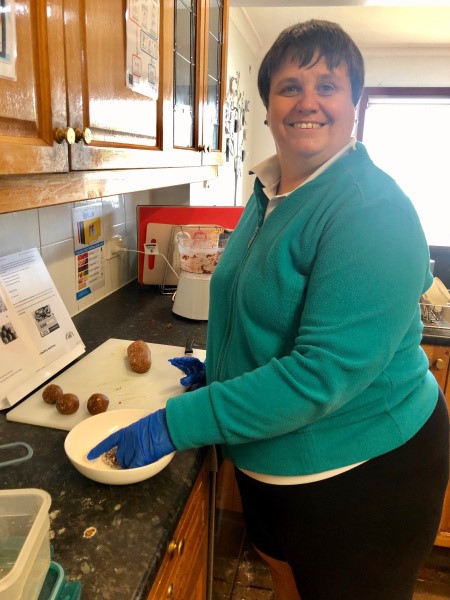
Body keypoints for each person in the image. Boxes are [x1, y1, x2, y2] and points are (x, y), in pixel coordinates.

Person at [89, 19, 449, 600]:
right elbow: (261, 310)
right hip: (274, 455)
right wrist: (226, 371)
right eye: (290, 86)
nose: (308, 101)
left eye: (328, 85)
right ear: (267, 107)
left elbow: (320, 374)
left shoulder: (371, 208)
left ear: (354, 104)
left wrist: (176, 422)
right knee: (285, 580)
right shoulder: (271, 192)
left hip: (360, 475)